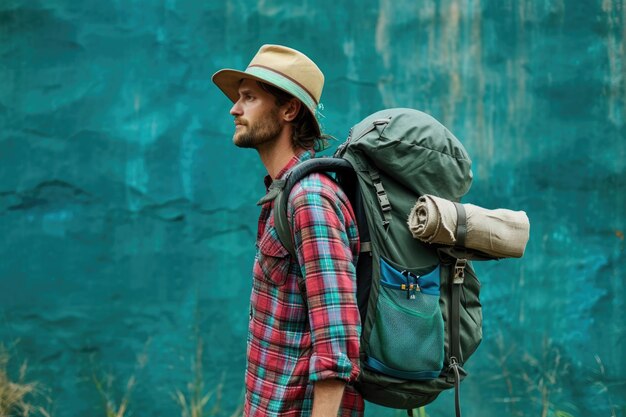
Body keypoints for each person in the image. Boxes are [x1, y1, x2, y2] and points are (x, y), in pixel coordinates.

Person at [212, 45, 363, 417]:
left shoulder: (310, 199)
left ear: (289, 109)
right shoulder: (284, 194)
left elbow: (336, 337)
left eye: (249, 97)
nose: (235, 108)